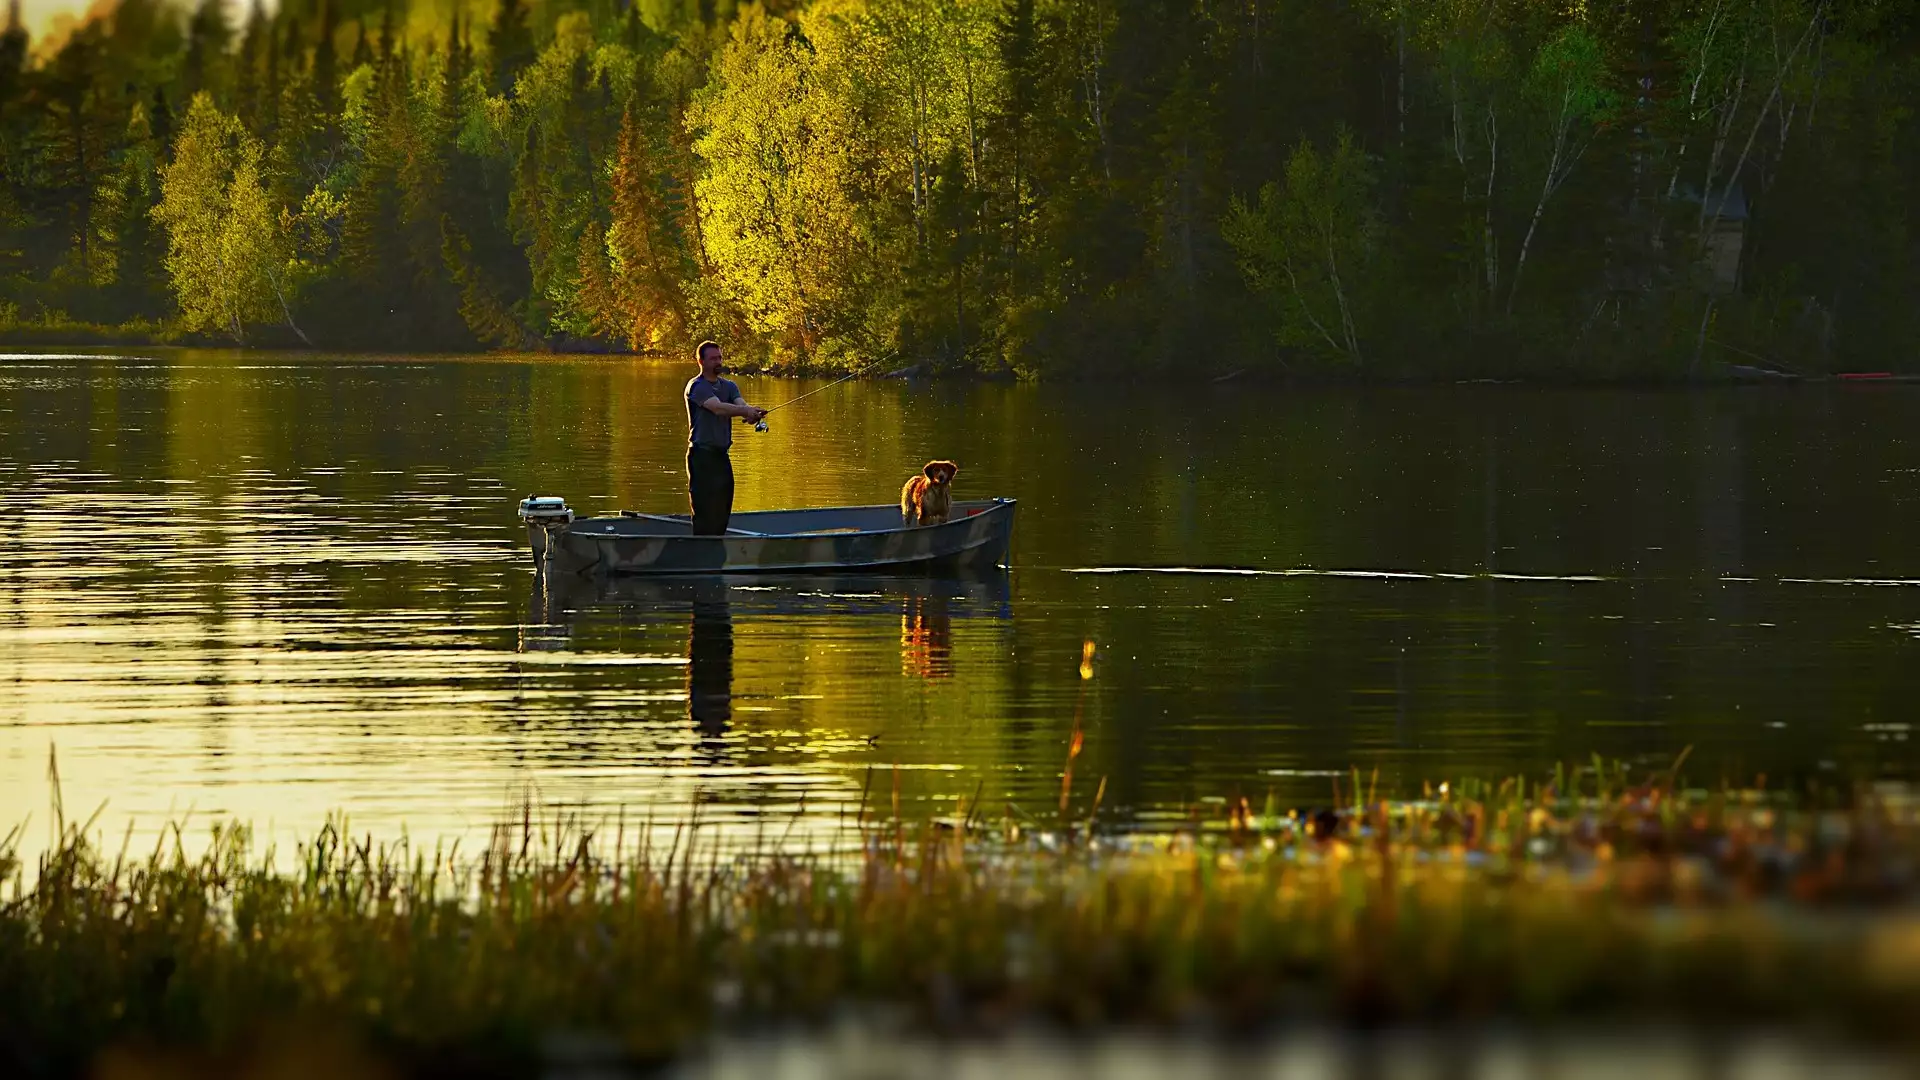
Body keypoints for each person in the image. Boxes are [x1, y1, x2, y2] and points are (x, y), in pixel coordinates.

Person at [684, 340, 767, 536]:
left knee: (722, 510)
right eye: (713, 359)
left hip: (721, 457)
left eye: (719, 357)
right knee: (704, 512)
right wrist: (744, 410)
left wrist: (752, 413)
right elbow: (718, 408)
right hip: (701, 457)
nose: (718, 362)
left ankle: (717, 555)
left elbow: (740, 404)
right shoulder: (696, 386)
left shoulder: (729, 386)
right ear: (701, 361)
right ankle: (701, 555)